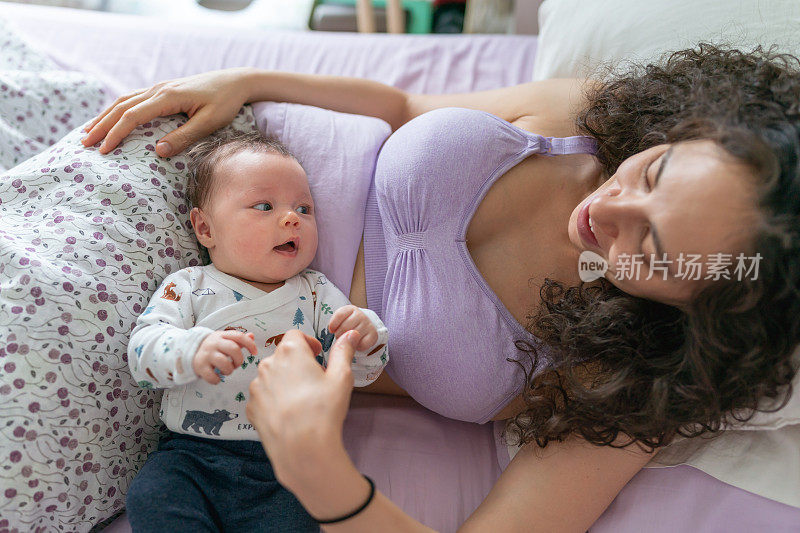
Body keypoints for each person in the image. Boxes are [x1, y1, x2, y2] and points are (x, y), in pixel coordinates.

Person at [86, 44, 800, 530]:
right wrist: (248, 81)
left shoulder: (630, 385)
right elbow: (399, 105)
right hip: (205, 173)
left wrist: (333, 485)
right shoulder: (586, 119)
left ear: (704, 315)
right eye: (655, 172)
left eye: (652, 248)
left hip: (201, 378)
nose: (606, 213)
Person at [123, 131, 388, 532]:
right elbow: (142, 352)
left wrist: (365, 336)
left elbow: (360, 374)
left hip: (287, 463)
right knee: (151, 498)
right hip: (191, 456)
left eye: (304, 207)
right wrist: (192, 349)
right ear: (206, 229)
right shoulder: (189, 286)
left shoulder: (316, 292)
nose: (291, 217)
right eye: (264, 206)